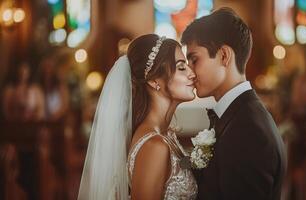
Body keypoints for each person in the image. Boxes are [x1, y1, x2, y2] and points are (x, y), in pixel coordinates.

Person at [181, 7, 287, 199]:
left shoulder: (248, 129)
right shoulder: (238, 115)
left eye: (194, 60)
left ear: (224, 55)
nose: (189, 72)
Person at [77, 34, 197, 200]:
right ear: (154, 80)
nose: (192, 74)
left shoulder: (166, 135)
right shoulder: (154, 146)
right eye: (182, 67)